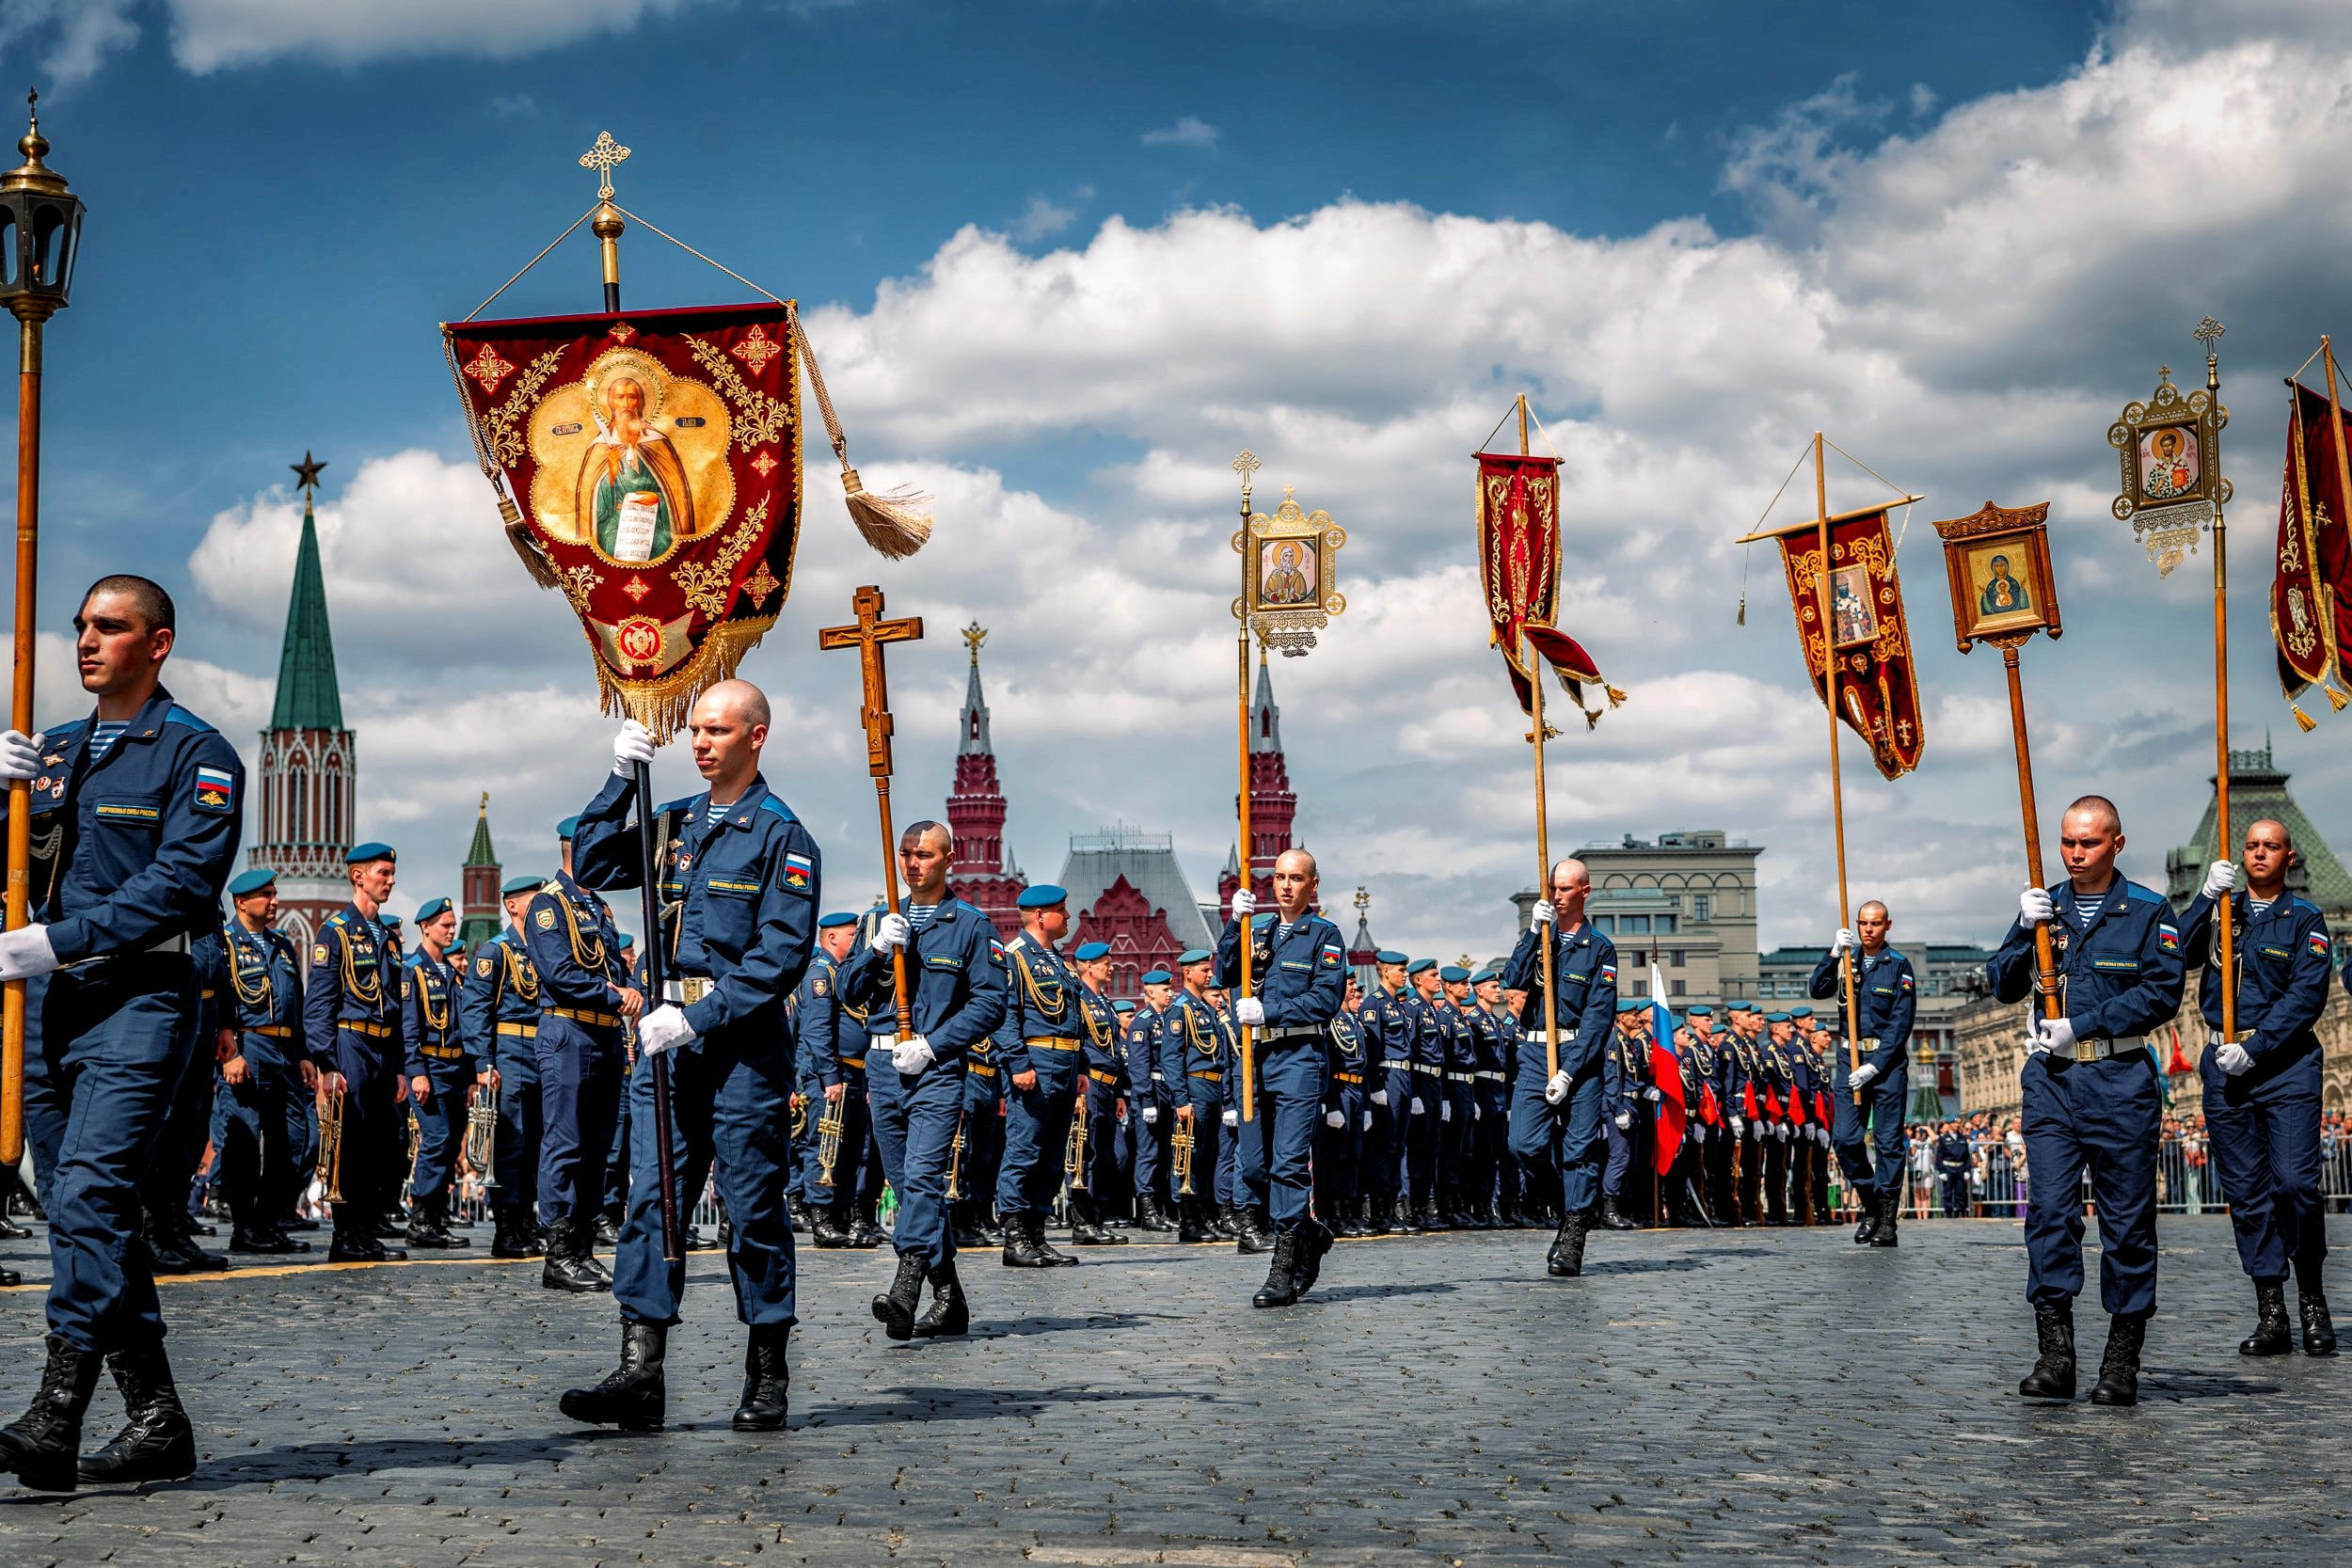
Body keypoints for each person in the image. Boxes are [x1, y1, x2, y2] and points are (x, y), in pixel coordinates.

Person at [0, 577, 245, 1491]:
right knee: (74, 1205)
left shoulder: (195, 754)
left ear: (159, 643)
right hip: (49, 1004)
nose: (87, 640)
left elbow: (181, 884)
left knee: (95, 1189)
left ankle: (57, 1409)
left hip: (140, 995)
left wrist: (56, 938)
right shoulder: (53, 752)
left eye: (110, 626)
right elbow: (17, 855)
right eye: (80, 626)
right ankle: (156, 1416)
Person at [561, 684, 818, 1433]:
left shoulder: (782, 836)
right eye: (696, 730)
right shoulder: (672, 819)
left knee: (753, 1208)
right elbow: (595, 861)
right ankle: (642, 1373)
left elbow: (780, 955)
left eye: (717, 730)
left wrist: (696, 1016)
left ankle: (766, 1371)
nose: (700, 742)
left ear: (757, 737)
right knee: (654, 1203)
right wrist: (618, 778)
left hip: (738, 1046)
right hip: (667, 1050)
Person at [1991, 794, 2185, 1407]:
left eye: (2090, 843)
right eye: (2068, 842)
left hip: (2119, 1078)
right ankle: (2056, 1354)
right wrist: (2024, 932)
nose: (2076, 854)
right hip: (2052, 1082)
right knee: (2049, 1214)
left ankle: (2121, 1358)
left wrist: (2086, 1023)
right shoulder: (2044, 906)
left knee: (2127, 1226)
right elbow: (2001, 983)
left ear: (2116, 845)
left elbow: (2163, 993)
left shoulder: (2151, 911)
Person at [838, 820, 1007, 1341]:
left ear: (949, 859)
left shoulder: (971, 925)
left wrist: (935, 1044)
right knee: (905, 1184)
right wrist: (873, 950)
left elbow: (990, 1002)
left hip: (933, 1069)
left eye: (925, 855)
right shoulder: (879, 918)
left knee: (922, 1180)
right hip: (883, 1067)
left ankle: (906, 1285)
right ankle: (950, 1297)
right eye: (907, 854)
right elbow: (846, 989)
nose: (913, 864)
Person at [2183, 822, 2335, 1355]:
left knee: (2294, 1184)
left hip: (2285, 1064)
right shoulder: (2225, 911)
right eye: (2251, 846)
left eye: (2271, 846)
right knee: (2247, 1196)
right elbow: (2172, 956)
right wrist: (2204, 899)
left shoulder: (2306, 920)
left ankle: (2312, 1297)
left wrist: (2259, 1046)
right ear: (2241, 855)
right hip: (2224, 1063)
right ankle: (2271, 1310)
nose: (2260, 853)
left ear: (2289, 857)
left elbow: (2307, 995)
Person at [1219, 848, 1345, 1307]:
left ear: (1313, 885)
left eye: (1296, 878)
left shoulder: (1324, 935)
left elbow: (1325, 999)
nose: (1286, 885)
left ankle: (1284, 1261)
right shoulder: (1260, 930)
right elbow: (1225, 972)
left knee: (1289, 1164)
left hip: (1298, 1055)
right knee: (1252, 1166)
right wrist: (1235, 926)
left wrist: (1269, 1010)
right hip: (1255, 1057)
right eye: (1279, 877)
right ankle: (1310, 1232)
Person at [524, 819, 642, 1291]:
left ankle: (584, 1248)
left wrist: (632, 990)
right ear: (581, 849)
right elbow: (560, 974)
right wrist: (617, 996)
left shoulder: (600, 907)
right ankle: (559, 1253)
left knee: (599, 1150)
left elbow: (616, 966)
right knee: (565, 1143)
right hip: (569, 1032)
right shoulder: (548, 906)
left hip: (606, 1037)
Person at [1503, 858, 1618, 1277]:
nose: (1557, 895)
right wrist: (1533, 932)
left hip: (1579, 1059)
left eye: (1566, 889)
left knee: (1579, 1152)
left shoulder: (1600, 948)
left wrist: (1569, 1071)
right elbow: (1512, 980)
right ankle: (1560, 1199)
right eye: (1553, 888)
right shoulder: (1542, 937)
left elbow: (1598, 1019)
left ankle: (1572, 1235)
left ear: (1584, 892)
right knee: (1523, 1144)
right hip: (1535, 1054)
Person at [304, 844, 408, 1264]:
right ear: (358, 876)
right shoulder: (336, 932)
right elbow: (319, 1005)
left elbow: (397, 1011)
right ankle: (345, 1235)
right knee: (350, 1142)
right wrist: (326, 1064)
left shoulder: (387, 938)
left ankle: (366, 1230)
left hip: (383, 1049)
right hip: (350, 1044)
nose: (391, 880)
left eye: (392, 873)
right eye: (383, 872)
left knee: (381, 1145)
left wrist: (400, 1068)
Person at [215, 870, 316, 1255]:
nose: (274, 901)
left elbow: (297, 1003)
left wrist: (304, 1055)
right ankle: (245, 1227)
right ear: (241, 902)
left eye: (275, 894)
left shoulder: (282, 945)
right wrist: (229, 1053)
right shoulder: (225, 943)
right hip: (247, 1047)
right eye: (265, 895)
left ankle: (271, 1221)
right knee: (243, 1138)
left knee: (291, 1139)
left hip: (285, 1051)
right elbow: (220, 1002)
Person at [993, 885, 1087, 1268]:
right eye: (1062, 911)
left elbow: (1073, 1018)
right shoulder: (1014, 957)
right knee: (1024, 1150)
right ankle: (1015, 1237)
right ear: (1039, 916)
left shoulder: (1059, 960)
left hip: (1064, 1064)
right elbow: (1003, 1016)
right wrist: (1018, 1064)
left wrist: (1080, 1069)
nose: (1068, 918)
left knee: (1051, 1154)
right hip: (1035, 1060)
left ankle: (1037, 1234)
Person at [1814, 903, 1916, 1245]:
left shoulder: (1899, 966)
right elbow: (1817, 989)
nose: (1868, 930)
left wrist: (1875, 1065)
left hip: (1885, 1066)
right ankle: (1870, 1202)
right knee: (1845, 1139)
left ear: (1888, 925)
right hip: (1849, 1058)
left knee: (1888, 1143)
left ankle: (1887, 1220)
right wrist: (1831, 954)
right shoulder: (1847, 960)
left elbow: (1901, 1022)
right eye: (1862, 923)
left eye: (1875, 924)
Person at [458, 876, 546, 1258]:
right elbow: (475, 1009)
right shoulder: (496, 951)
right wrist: (483, 1061)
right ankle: (506, 1231)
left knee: (535, 1148)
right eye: (534, 900)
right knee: (510, 1147)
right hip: (509, 1051)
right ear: (512, 905)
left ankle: (526, 1225)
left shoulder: (546, 948)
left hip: (543, 1049)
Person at [401, 896, 478, 1250]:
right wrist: (417, 1071)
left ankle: (436, 1216)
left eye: (453, 924)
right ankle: (420, 1218)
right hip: (429, 1067)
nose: (451, 931)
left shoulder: (451, 974)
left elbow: (463, 1028)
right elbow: (408, 1027)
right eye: (445, 925)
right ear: (425, 927)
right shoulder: (412, 969)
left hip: (455, 1069)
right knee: (435, 1139)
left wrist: (471, 1076)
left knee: (449, 1144)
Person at [803, 911, 879, 1248]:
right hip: (831, 1074)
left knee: (851, 1151)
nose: (857, 941)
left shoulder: (846, 975)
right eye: (852, 935)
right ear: (832, 937)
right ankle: (822, 1218)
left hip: (855, 1072)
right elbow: (817, 1030)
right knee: (825, 1146)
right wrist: (829, 1076)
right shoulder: (821, 973)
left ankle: (844, 1218)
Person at [1163, 948, 1230, 1244]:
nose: (1210, 974)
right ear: (1187, 973)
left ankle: (1204, 1216)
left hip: (1212, 1088)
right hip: (1194, 1088)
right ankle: (1188, 1222)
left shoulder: (1204, 1009)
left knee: (1207, 1157)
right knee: (1188, 1157)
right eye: (1205, 970)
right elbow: (1172, 1058)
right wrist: (1181, 1099)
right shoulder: (1180, 1010)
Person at [1068, 942, 1128, 1245]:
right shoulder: (1077, 998)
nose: (1111, 967)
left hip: (1107, 1086)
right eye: (1105, 962)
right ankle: (1082, 1222)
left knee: (1105, 1155)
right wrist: (1077, 1090)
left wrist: (1118, 1092)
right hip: (1088, 1084)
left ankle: (1099, 1220)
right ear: (1088, 966)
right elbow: (1078, 1044)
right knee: (1085, 1152)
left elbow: (1114, 1051)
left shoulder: (1103, 1003)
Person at [1124, 971, 1177, 1234]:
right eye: (1165, 990)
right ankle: (1148, 1211)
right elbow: (1139, 1065)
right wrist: (1146, 1100)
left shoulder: (1166, 1020)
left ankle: (1162, 1208)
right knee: (1148, 1153)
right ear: (1150, 992)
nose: (1170, 993)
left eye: (1170, 989)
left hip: (1166, 1089)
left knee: (1165, 1153)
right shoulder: (1142, 1023)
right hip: (1151, 1090)